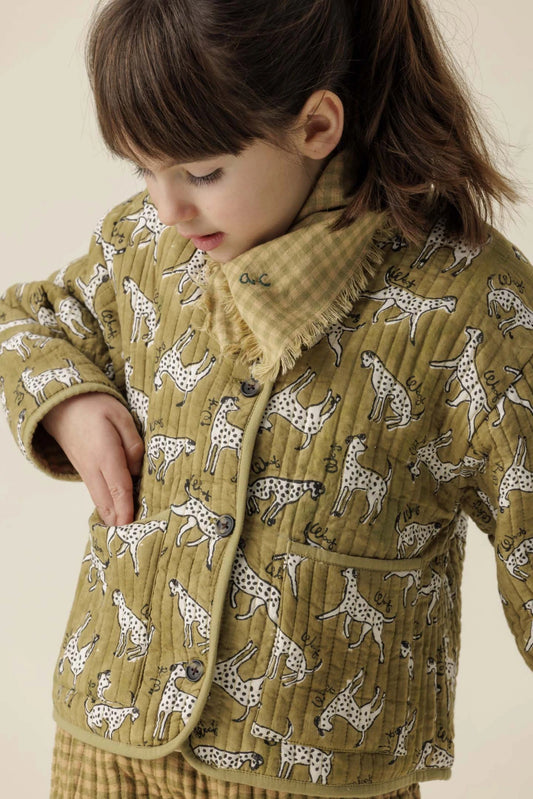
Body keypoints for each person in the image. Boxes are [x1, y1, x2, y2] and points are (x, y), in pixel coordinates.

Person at [0, 0, 531, 797]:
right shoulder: (146, 247)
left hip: (317, 772)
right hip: (104, 745)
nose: (166, 207)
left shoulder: (470, 304)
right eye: (143, 170)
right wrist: (67, 402)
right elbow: (27, 320)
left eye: (201, 172)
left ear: (316, 126)